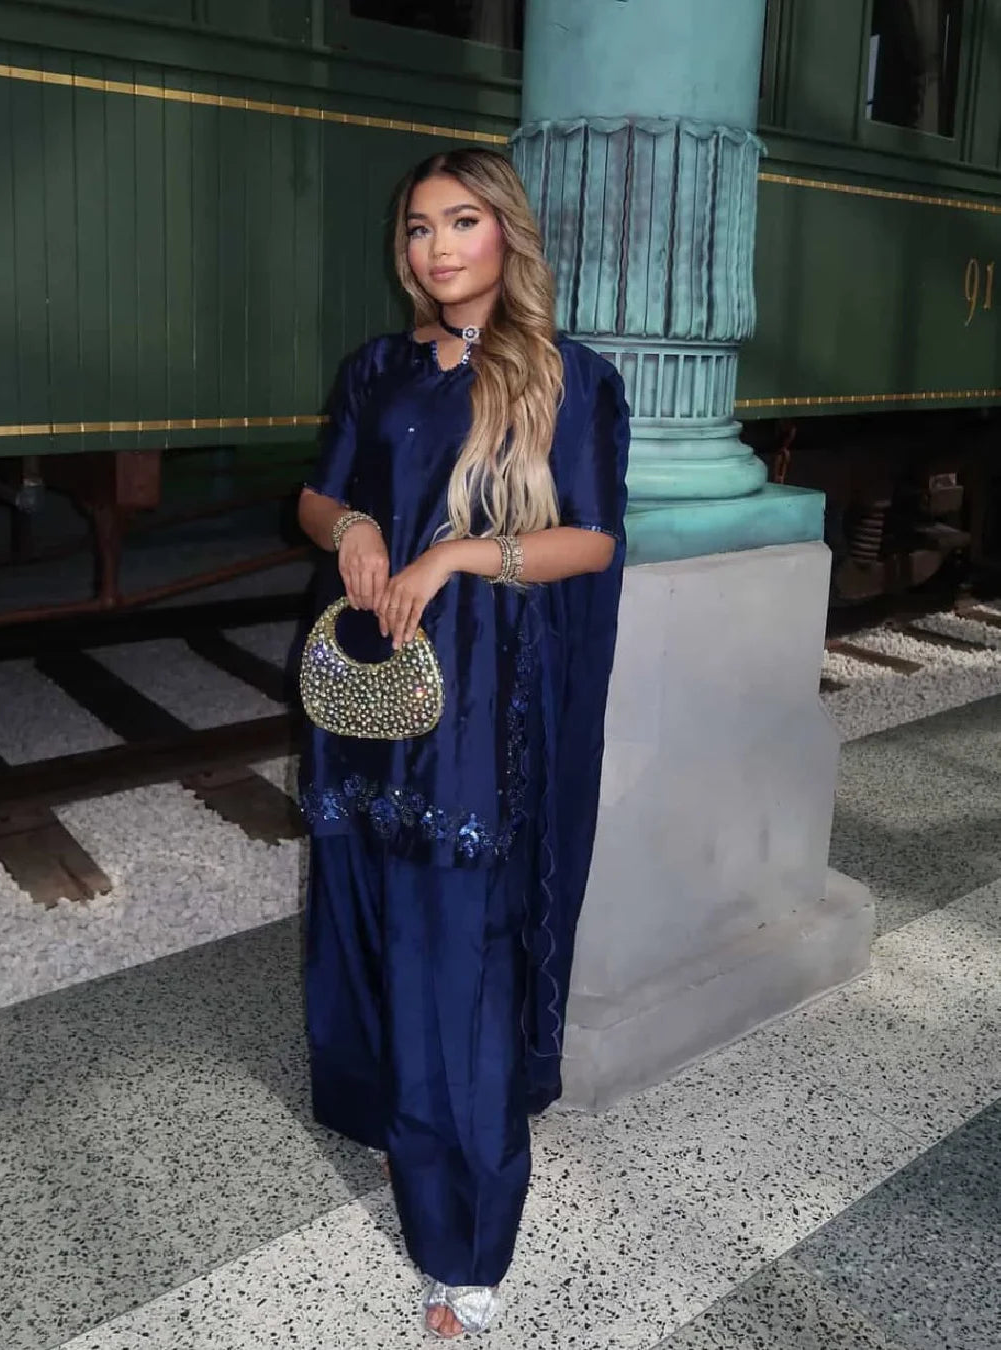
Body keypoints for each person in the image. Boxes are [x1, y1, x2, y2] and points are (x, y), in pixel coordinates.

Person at [296, 147, 630, 1338]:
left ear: (506, 235)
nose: (436, 247)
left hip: (483, 703)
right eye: (418, 228)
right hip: (371, 686)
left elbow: (590, 540)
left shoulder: (563, 377)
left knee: (460, 961)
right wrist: (354, 526)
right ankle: (388, 1113)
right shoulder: (378, 367)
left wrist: (453, 554)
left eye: (461, 222)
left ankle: (464, 1243)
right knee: (370, 918)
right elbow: (315, 496)